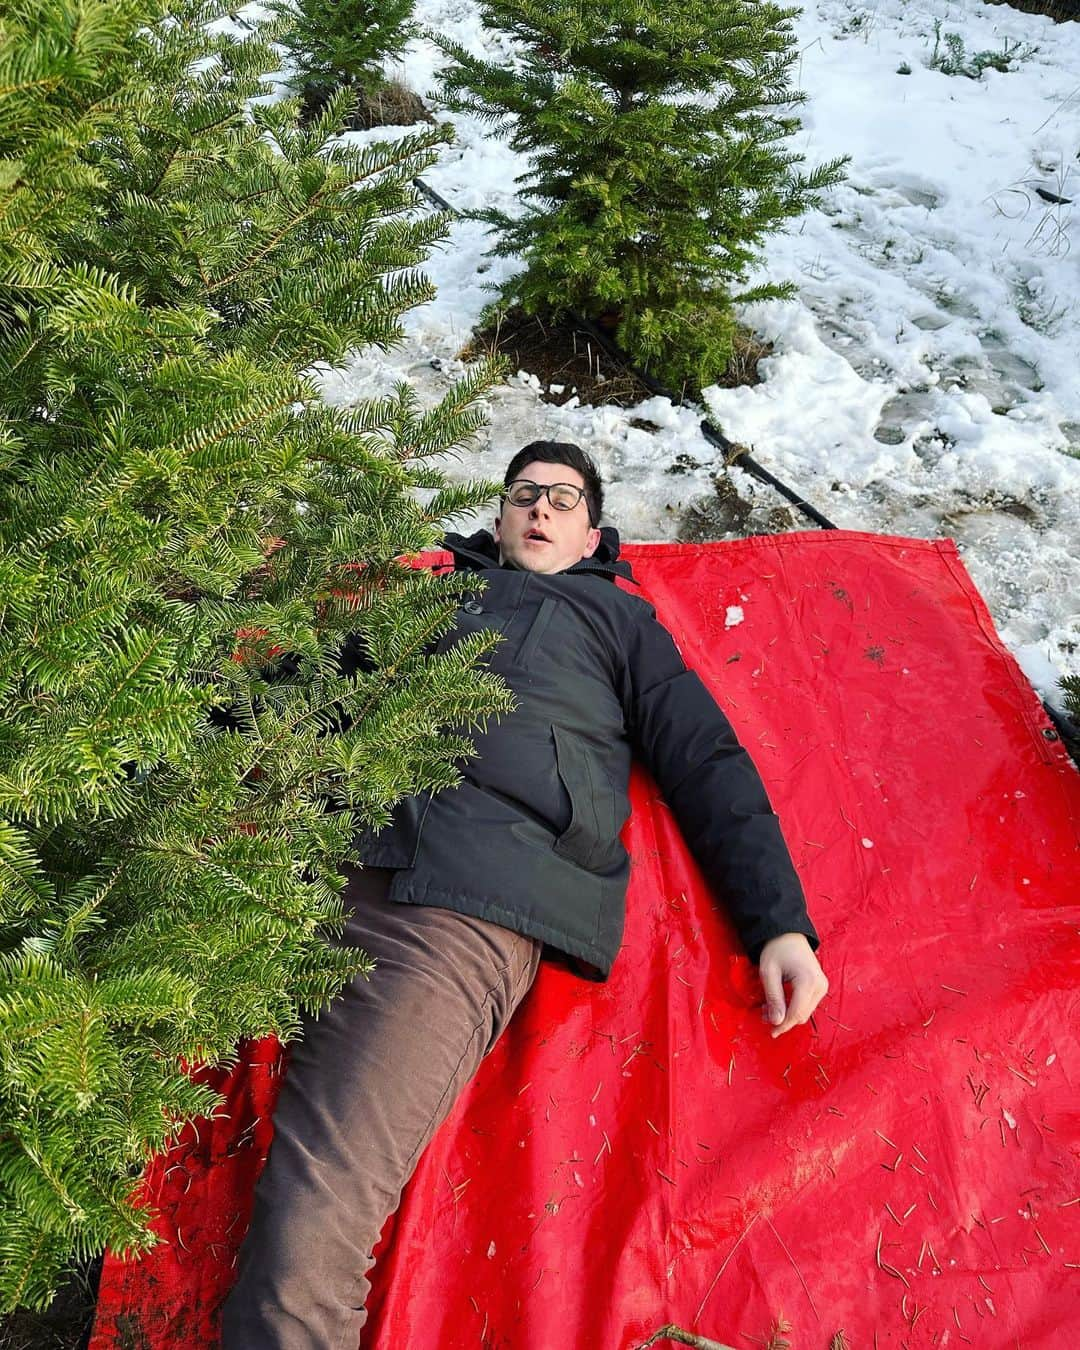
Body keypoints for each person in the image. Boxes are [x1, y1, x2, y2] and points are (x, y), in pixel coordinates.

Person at [220, 441, 827, 1349]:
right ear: (497, 518)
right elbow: (297, 693)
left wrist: (778, 923)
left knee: (315, 1217)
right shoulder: (428, 601)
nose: (540, 509)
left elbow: (706, 762)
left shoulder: (621, 627)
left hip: (459, 904)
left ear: (592, 535)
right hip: (309, 865)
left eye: (564, 498)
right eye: (524, 494)